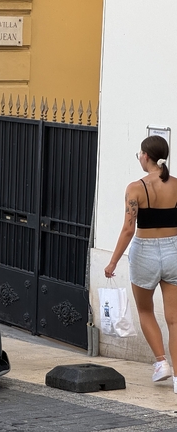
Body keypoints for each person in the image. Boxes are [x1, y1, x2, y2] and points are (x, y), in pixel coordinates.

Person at [104, 135, 177, 392]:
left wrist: (112, 262)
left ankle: (161, 364)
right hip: (173, 251)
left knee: (145, 311)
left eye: (139, 154)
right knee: (174, 319)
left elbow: (128, 229)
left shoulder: (135, 188)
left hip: (144, 252)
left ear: (146, 156)